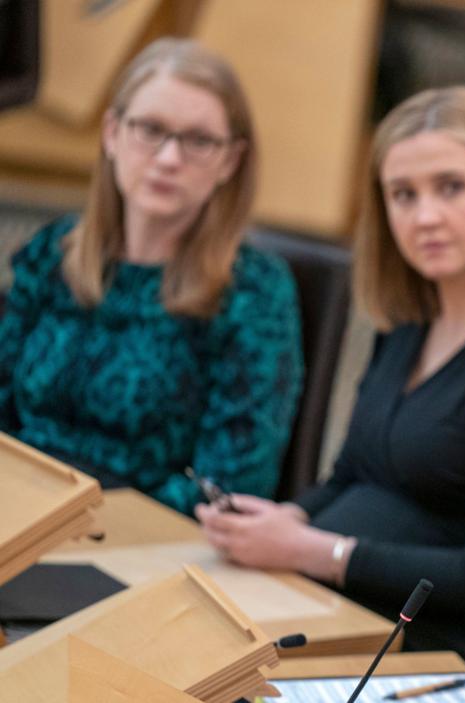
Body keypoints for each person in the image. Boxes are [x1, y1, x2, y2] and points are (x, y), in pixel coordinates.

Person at [196, 86, 465, 669]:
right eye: (403, 195)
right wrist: (290, 517)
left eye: (451, 187)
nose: (425, 216)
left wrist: (317, 551)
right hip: (329, 611)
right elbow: (354, 473)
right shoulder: (409, 318)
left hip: (428, 655)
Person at [0, 39, 303, 514]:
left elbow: (229, 484)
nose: (168, 159)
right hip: (17, 507)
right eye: (150, 130)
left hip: (142, 535)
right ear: (112, 133)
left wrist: (76, 514)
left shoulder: (253, 289)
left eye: (199, 141)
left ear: (231, 160)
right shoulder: (52, 252)